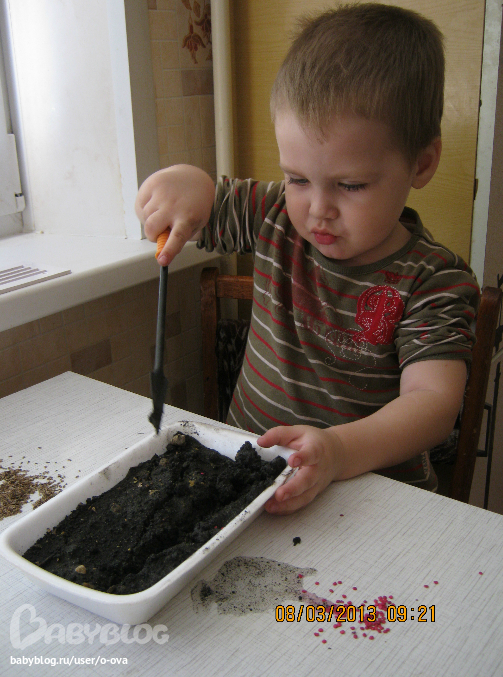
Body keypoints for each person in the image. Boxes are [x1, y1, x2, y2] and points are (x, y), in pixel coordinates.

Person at [135, 3, 480, 514]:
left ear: (422, 163)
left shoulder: (434, 280)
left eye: (351, 184)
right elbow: (209, 204)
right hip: (252, 481)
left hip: (369, 503)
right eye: (297, 178)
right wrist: (185, 182)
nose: (318, 209)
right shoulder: (275, 214)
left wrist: (339, 450)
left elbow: (433, 405)